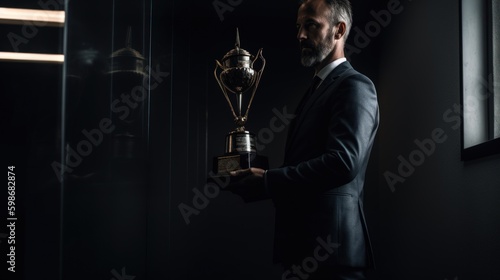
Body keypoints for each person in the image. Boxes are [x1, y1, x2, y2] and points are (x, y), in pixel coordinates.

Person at [229, 0, 379, 279]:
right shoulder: (317, 89)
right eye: (299, 26)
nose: (300, 35)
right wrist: (260, 185)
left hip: (333, 256)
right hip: (303, 251)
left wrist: (269, 180)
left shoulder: (355, 86)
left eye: (310, 24)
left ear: (339, 30)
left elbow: (343, 162)